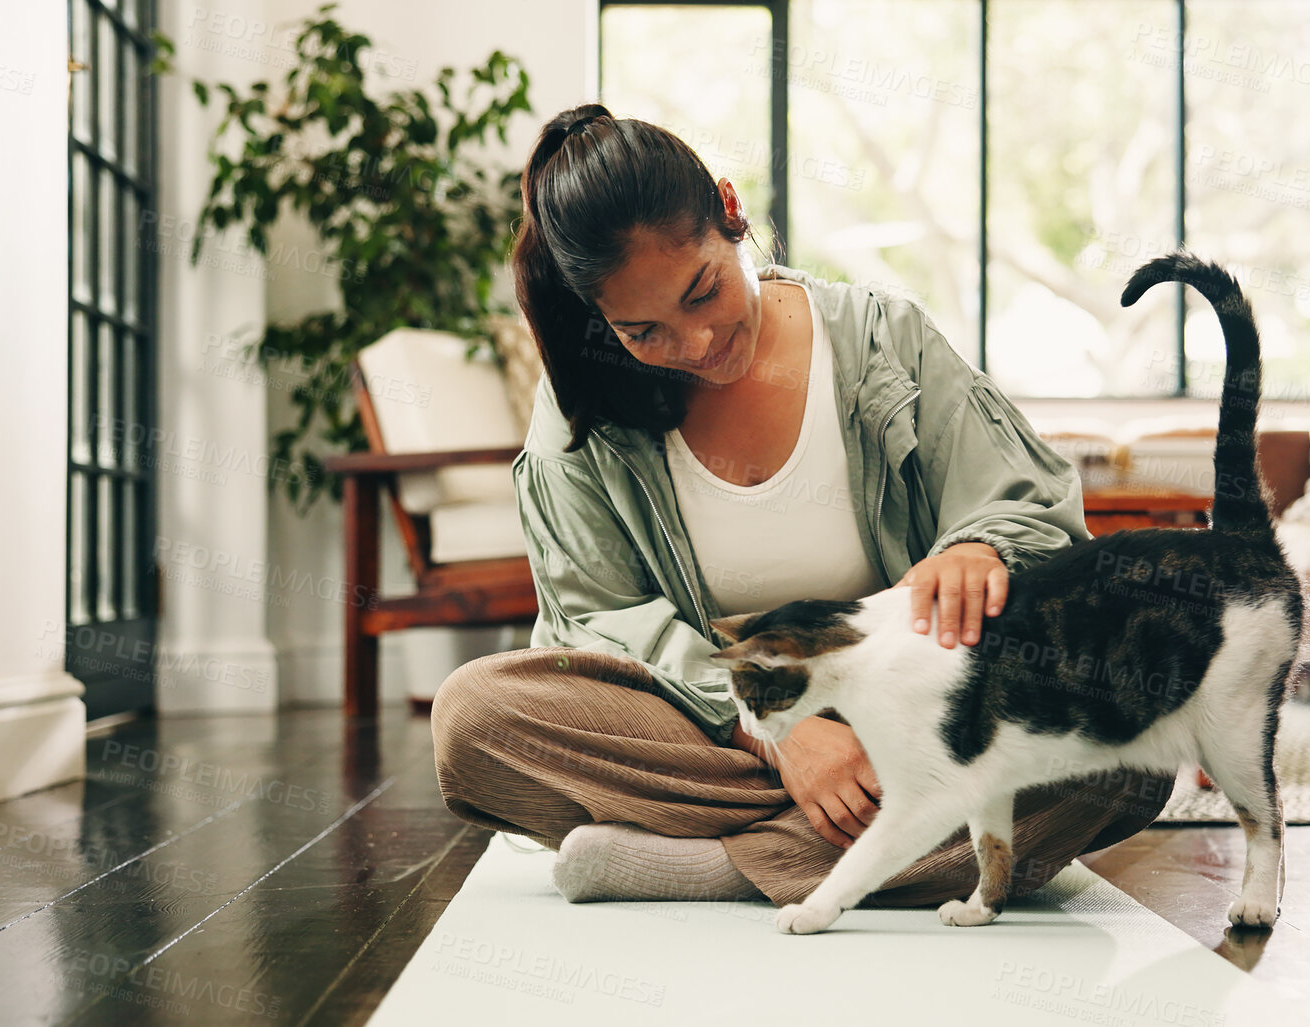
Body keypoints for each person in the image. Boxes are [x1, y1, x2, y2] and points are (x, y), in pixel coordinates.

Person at [430, 102, 1174, 908]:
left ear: (730, 208)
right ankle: (868, 847)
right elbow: (596, 618)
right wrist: (776, 726)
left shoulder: (883, 339)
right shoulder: (580, 407)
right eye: (642, 331)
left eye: (702, 292)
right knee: (475, 719)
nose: (694, 345)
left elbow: (1030, 508)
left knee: (1136, 735)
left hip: (909, 706)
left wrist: (981, 545)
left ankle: (709, 868)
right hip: (708, 720)